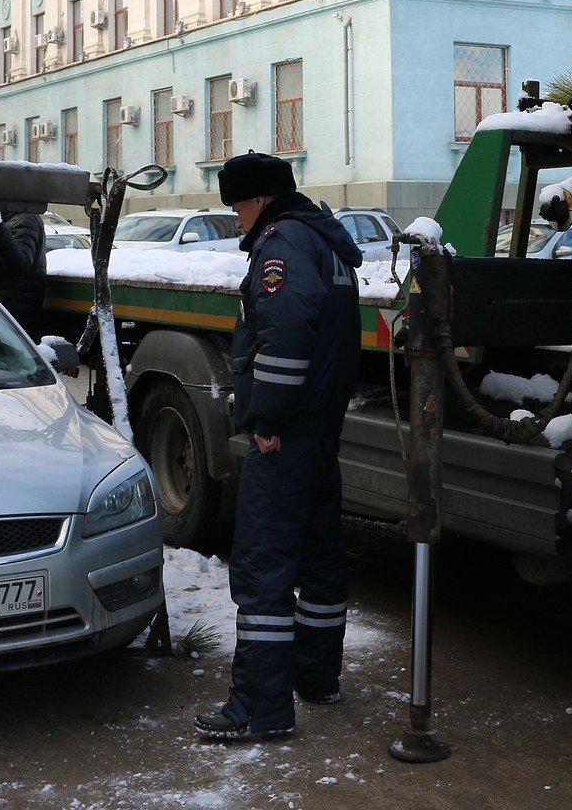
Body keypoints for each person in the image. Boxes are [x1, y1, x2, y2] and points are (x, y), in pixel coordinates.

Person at [194, 151, 362, 741]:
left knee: (264, 566)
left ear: (259, 198)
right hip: (320, 432)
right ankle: (315, 678)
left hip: (285, 437)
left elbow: (286, 333)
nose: (235, 219)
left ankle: (259, 709)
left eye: (236, 206)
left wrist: (267, 417)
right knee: (319, 559)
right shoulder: (324, 241)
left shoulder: (282, 242)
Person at [0, 209, 47, 337]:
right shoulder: (10, 219)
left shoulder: (25, 220)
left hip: (11, 314)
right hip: (1, 311)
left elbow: (20, 264)